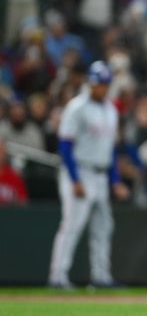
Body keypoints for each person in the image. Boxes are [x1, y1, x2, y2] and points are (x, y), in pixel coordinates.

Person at [48, 61, 129, 289]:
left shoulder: (111, 109)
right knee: (72, 225)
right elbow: (64, 145)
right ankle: (57, 277)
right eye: (98, 84)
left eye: (105, 84)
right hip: (80, 171)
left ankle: (101, 277)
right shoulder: (77, 107)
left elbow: (112, 149)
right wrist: (75, 179)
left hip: (101, 174)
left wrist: (115, 180)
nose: (101, 88)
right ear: (90, 83)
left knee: (103, 227)